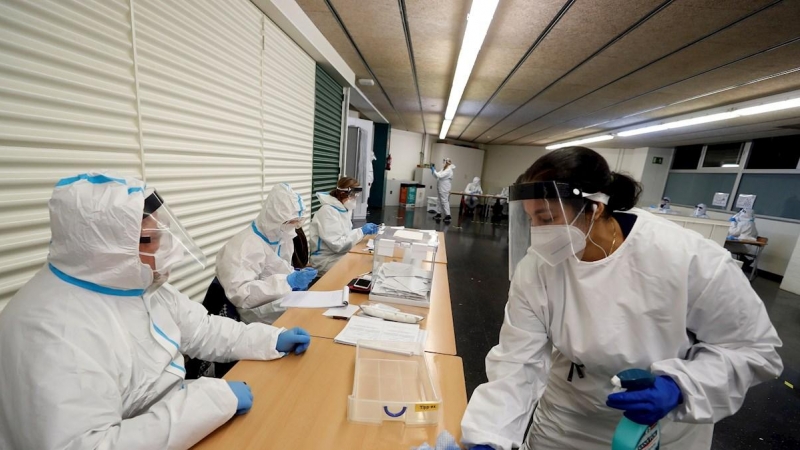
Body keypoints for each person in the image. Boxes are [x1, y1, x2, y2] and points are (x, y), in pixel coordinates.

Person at [461, 148, 782, 450]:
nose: (537, 232)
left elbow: (754, 349)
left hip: (660, 431)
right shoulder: (537, 268)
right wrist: (489, 435)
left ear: (595, 207)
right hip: (566, 425)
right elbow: (517, 362)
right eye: (530, 220)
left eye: (546, 219)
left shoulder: (688, 259)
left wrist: (680, 387)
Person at [0, 173, 312, 450]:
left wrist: (271, 339)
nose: (168, 252)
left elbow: (203, 329)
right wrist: (211, 401)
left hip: (171, 418)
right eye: (150, 240)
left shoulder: (134, 283)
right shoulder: (52, 331)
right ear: (101, 250)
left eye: (162, 235)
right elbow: (92, 443)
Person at [216, 183, 317, 325]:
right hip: (252, 314)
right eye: (291, 222)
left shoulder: (282, 236)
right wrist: (287, 282)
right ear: (274, 218)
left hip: (277, 300)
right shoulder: (244, 246)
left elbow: (281, 267)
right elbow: (241, 295)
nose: (294, 227)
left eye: (297, 222)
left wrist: (295, 275)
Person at [309, 177, 378, 274]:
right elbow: (338, 245)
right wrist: (361, 231)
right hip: (325, 259)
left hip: (337, 255)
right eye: (353, 196)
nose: (355, 199)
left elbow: (345, 236)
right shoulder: (328, 211)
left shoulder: (343, 208)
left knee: (365, 262)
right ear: (342, 194)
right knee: (359, 267)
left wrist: (361, 233)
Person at [431, 158, 456, 222]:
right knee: (439, 200)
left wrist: (434, 171)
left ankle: (448, 215)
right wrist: (433, 171)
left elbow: (440, 176)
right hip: (440, 187)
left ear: (447, 163)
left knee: (444, 201)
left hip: (445, 188)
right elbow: (437, 176)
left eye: (444, 162)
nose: (443, 163)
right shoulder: (443, 169)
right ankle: (438, 214)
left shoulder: (449, 170)